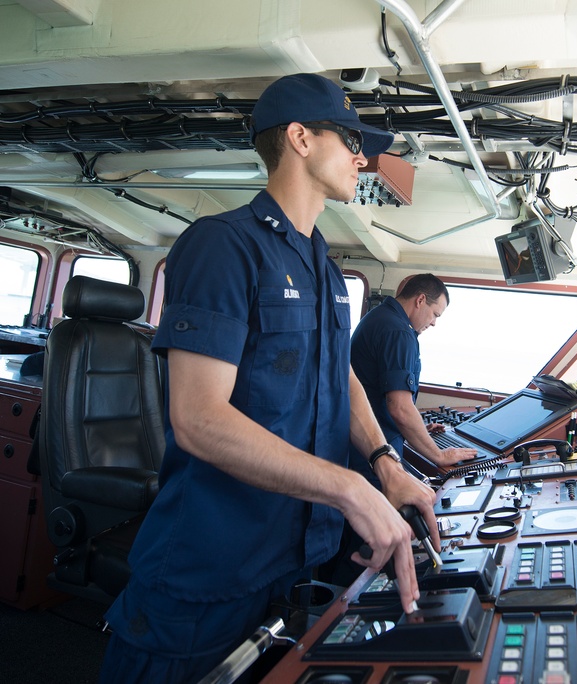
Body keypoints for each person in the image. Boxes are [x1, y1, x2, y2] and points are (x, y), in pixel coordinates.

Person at [99, 73, 438, 684]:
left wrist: (386, 464)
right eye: (351, 139)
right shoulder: (222, 247)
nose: (364, 157)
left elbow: (344, 381)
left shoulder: (327, 272)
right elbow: (199, 419)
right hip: (210, 570)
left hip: (296, 561)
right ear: (301, 138)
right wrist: (350, 489)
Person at [350, 275, 478, 469]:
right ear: (420, 300)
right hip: (374, 446)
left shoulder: (380, 316)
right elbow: (400, 409)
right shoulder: (399, 332)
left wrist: (418, 432)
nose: (434, 322)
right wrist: (439, 455)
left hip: (361, 436)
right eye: (435, 314)